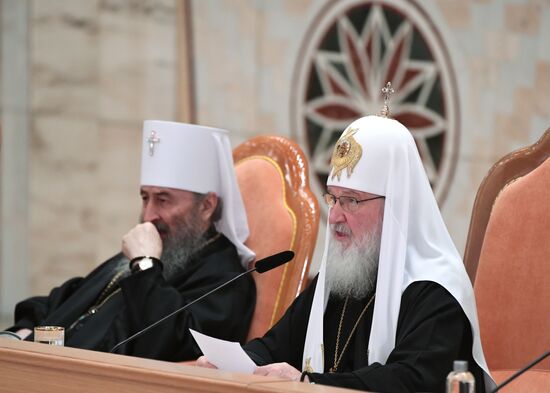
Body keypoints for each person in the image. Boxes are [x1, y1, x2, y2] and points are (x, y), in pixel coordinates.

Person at [198, 111, 495, 392]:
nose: (336, 216)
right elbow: (275, 347)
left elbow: (410, 381)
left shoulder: (436, 291)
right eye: (334, 199)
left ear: (395, 207)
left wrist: (309, 383)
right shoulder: (341, 277)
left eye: (351, 201)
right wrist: (230, 365)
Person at [2, 120, 256, 361]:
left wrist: (145, 265)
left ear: (207, 206)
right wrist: (22, 331)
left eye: (163, 200)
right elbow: (72, 298)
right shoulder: (162, 249)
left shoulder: (225, 280)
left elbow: (170, 342)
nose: (149, 215)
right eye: (145, 198)